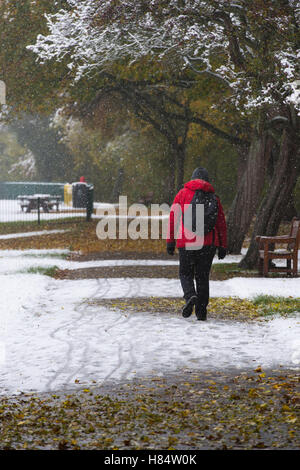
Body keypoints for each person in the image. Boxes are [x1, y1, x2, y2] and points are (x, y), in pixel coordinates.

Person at [166, 167, 227, 321]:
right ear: (207, 180)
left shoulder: (182, 194)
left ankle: (190, 296)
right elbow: (220, 223)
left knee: (185, 273)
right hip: (208, 244)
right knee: (202, 276)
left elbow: (173, 218)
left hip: (186, 242)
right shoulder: (214, 197)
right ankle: (201, 311)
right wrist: (222, 246)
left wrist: (170, 241)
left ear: (192, 179)